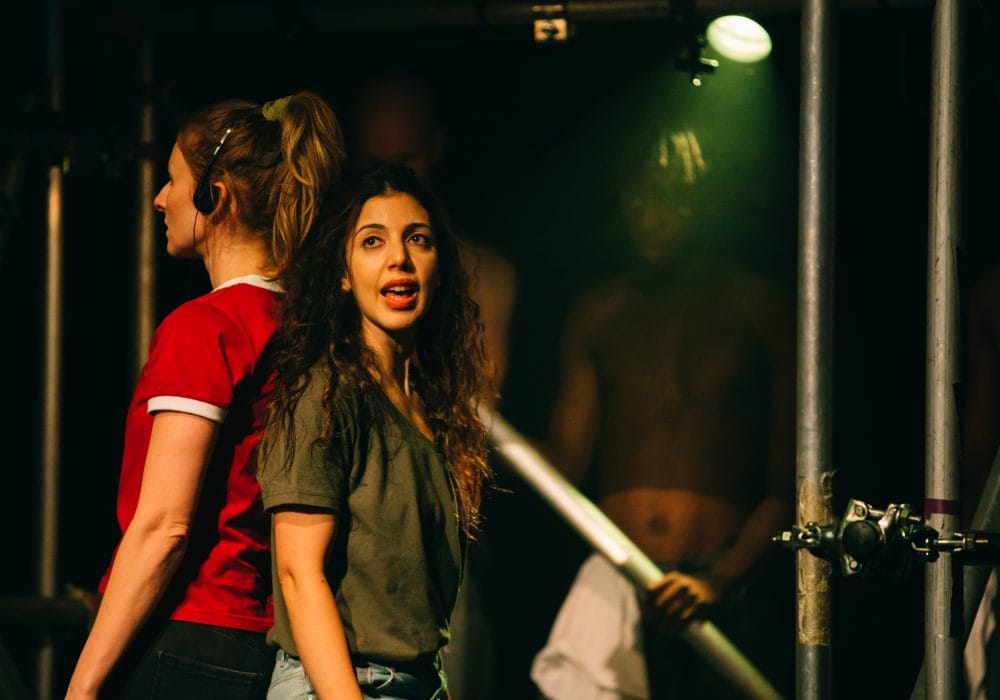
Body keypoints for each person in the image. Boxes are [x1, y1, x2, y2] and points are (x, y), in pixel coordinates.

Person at [65, 91, 345, 699]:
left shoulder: (207, 327)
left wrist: (81, 686)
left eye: (171, 180)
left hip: (183, 633)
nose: (160, 198)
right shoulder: (306, 322)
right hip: (257, 638)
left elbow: (164, 525)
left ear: (213, 197)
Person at [531, 127, 795, 699]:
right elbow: (564, 462)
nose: (652, 213)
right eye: (639, 196)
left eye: (673, 195)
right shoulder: (600, 313)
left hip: (726, 584)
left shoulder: (762, 311)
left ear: (710, 201)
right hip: (619, 577)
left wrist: (721, 581)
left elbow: (793, 482)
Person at [256, 163, 491, 699]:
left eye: (418, 239)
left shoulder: (430, 408)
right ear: (342, 272)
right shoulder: (325, 393)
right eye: (372, 241)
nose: (399, 259)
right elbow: (298, 575)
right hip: (342, 684)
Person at [351, 70, 515, 697]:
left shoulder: (478, 274)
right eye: (375, 162)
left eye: (406, 159)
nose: (394, 177)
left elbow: (478, 408)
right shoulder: (333, 276)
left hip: (431, 517)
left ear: (436, 149)